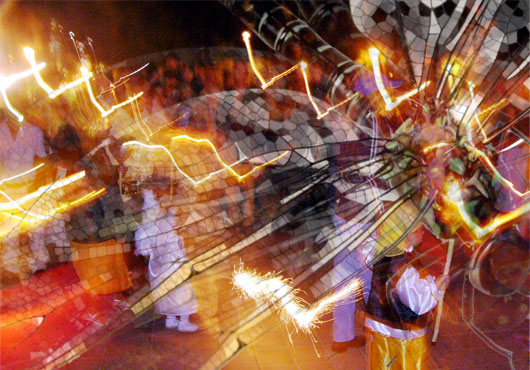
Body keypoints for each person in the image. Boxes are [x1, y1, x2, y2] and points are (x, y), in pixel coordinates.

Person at [364, 202, 449, 370]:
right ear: (406, 233)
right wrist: (437, 285)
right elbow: (418, 303)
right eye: (418, 228)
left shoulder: (381, 251)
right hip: (402, 333)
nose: (422, 231)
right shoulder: (402, 266)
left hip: (379, 324)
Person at [135, 189, 198, 332]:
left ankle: (170, 320)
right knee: (182, 292)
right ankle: (183, 322)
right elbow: (172, 245)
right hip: (172, 264)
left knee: (167, 293)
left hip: (158, 267)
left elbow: (144, 251)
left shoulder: (144, 229)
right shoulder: (163, 226)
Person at [331, 211, 375, 352]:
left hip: (344, 212)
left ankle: (342, 338)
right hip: (366, 217)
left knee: (343, 275)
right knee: (370, 279)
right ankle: (376, 333)